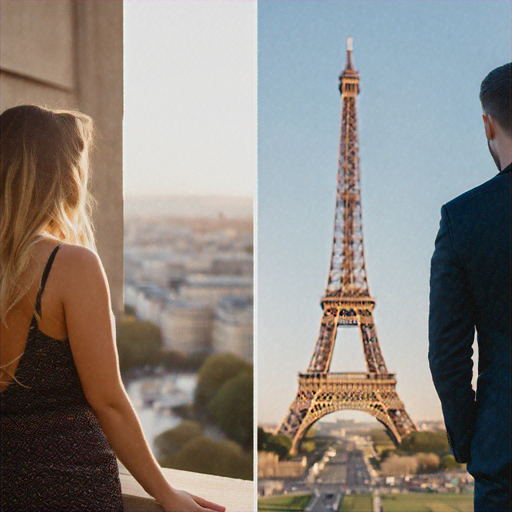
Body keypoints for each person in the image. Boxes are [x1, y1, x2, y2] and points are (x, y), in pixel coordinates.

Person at [0, 105, 226, 512]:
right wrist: (166, 492)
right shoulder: (69, 266)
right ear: (63, 178)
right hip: (70, 487)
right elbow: (108, 400)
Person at [429, 62, 511, 512]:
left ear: (488, 124)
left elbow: (448, 355)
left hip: (505, 451)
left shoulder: (462, 218)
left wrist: (472, 442)